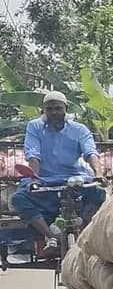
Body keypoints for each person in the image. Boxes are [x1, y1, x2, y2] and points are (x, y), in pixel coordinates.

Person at [11, 91, 107, 257]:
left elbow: (90, 152)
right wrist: (34, 178)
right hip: (44, 180)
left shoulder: (79, 129)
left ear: (66, 109)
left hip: (76, 179)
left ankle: (83, 230)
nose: (54, 112)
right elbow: (33, 155)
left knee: (99, 193)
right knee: (19, 197)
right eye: (49, 109)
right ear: (43, 110)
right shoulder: (34, 126)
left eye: (58, 108)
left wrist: (98, 173)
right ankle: (50, 237)